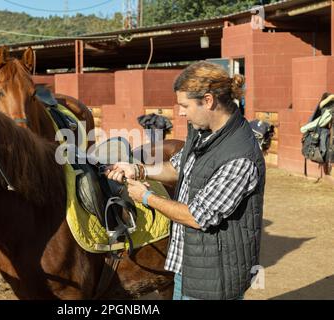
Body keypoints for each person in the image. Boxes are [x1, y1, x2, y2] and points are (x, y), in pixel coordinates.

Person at [105, 61, 265, 300]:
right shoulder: (202, 132)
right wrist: (138, 169)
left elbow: (197, 216)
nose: (180, 112)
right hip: (188, 266)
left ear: (208, 101)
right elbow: (177, 167)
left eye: (184, 105)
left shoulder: (240, 157)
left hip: (214, 279)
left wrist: (147, 197)